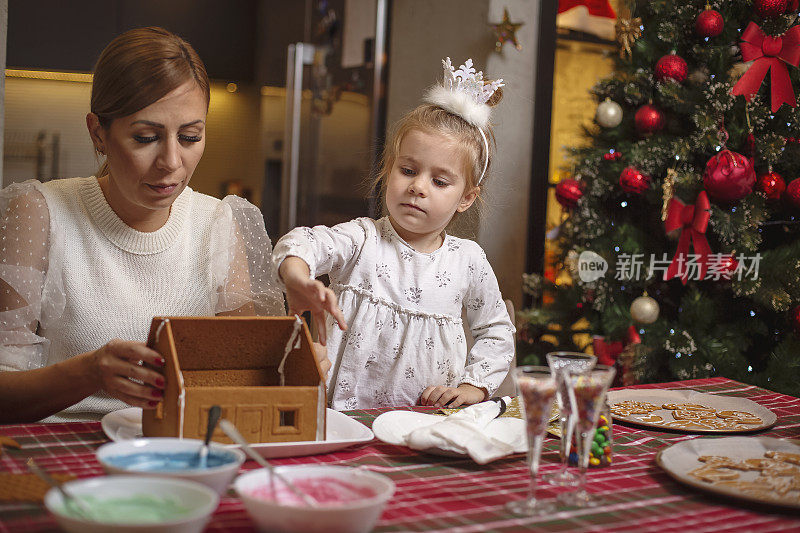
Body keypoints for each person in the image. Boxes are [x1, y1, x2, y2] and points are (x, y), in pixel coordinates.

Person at [0, 27, 323, 424]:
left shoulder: (217, 224)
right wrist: (86, 373)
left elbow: (244, 380)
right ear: (98, 133)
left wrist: (295, 366)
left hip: (180, 448)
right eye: (146, 137)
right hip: (67, 449)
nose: (171, 161)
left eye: (190, 137)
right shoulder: (40, 211)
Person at [274, 58, 514, 410]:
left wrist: (473, 386)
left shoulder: (468, 261)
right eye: (408, 170)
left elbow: (497, 331)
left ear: (466, 198)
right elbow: (303, 243)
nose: (418, 187)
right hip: (349, 418)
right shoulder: (362, 239)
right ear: (388, 171)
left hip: (426, 421)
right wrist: (297, 277)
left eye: (440, 181)